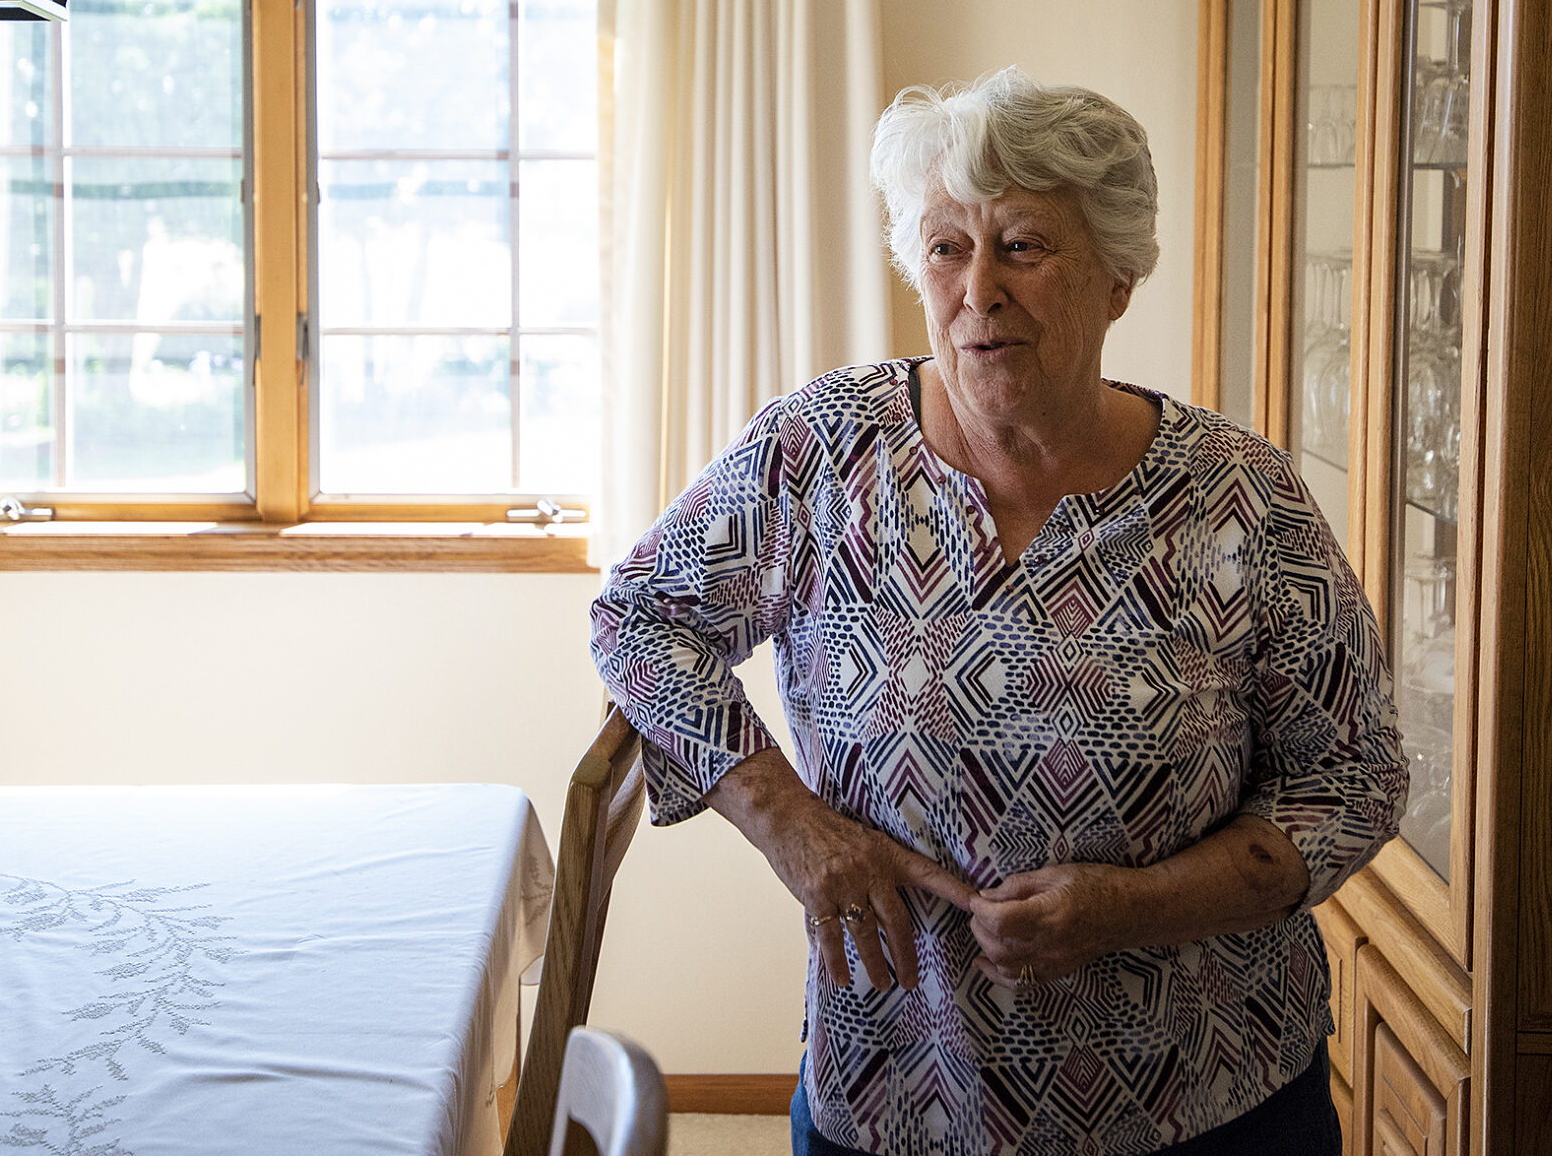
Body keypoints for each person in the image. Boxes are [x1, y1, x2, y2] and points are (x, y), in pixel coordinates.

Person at [590, 68, 1404, 1156]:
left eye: (1023, 244)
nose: (979, 289)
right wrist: (792, 824)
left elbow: (1352, 772)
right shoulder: (822, 451)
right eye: (945, 247)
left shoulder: (1237, 494)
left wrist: (1137, 905)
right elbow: (642, 617)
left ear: (1117, 278)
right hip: (897, 1085)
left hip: (1211, 1096)